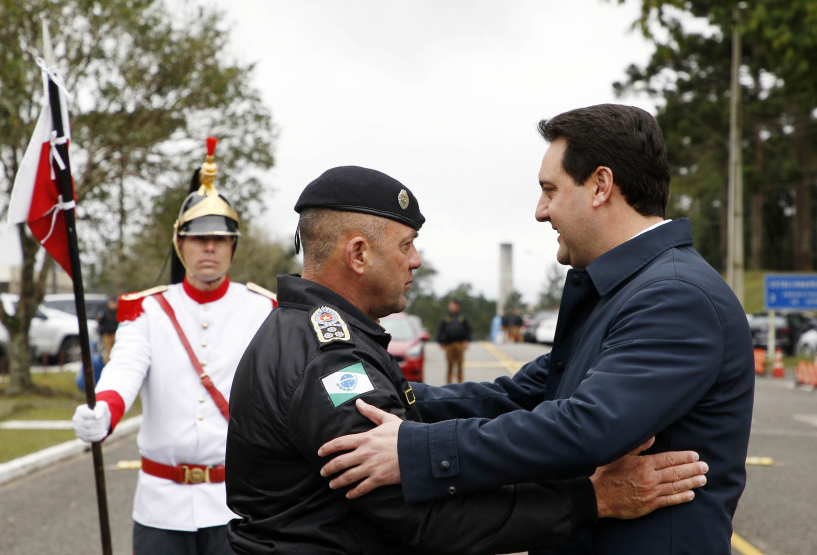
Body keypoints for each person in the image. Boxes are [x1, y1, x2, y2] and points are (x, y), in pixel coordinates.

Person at [317, 105, 755, 555]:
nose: (540, 212)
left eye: (550, 190)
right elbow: (517, 395)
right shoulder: (624, 291)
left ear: (601, 186)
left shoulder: (676, 296)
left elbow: (587, 426)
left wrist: (417, 452)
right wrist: (376, 397)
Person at [225, 165, 708, 555]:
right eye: (406, 245)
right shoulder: (331, 363)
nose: (415, 260)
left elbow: (424, 408)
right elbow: (421, 516)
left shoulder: (319, 333)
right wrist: (592, 499)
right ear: (358, 254)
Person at [71, 138, 276, 555]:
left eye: (220, 238)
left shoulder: (263, 309)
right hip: (160, 506)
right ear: (180, 243)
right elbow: (126, 366)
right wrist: (105, 409)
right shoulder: (148, 310)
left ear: (233, 246)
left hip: (235, 504)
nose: (210, 247)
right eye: (199, 239)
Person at [437, 298, 471, 383]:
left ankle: (460, 383)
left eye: (454, 305)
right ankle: (448, 384)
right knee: (450, 365)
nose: (453, 307)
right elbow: (441, 330)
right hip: (449, 344)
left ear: (458, 306)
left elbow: (468, 330)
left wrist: (467, 341)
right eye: (451, 305)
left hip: (460, 344)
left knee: (460, 365)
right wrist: (441, 341)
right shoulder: (446, 318)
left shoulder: (462, 318)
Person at [95, 297, 119, 364]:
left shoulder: (117, 312)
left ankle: (116, 362)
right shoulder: (105, 312)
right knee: (107, 350)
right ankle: (108, 363)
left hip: (115, 334)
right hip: (107, 334)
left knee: (116, 349)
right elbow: (99, 321)